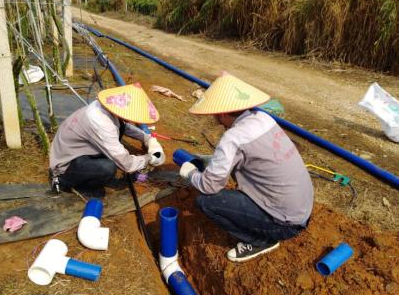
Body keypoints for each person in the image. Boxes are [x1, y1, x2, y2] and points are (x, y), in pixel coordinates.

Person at [178, 72, 313, 262]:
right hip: (301, 209)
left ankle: (260, 241)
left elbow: (209, 186)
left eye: (215, 114)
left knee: (206, 202)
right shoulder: (264, 119)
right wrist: (214, 160)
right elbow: (253, 156)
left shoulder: (233, 138)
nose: (214, 118)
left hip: (284, 223)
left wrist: (190, 173)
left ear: (222, 113)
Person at [49, 83, 165, 197]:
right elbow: (127, 165)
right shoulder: (100, 122)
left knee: (113, 150)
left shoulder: (105, 107)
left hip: (75, 151)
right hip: (66, 165)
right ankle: (71, 184)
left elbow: (124, 126)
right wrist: (149, 158)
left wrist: (145, 137)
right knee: (107, 167)